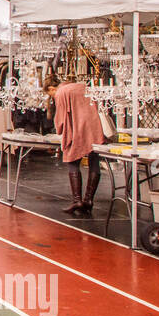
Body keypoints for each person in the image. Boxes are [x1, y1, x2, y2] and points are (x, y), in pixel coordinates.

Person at [48, 79, 107, 215]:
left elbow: (61, 118)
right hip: (94, 126)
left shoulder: (62, 92)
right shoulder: (86, 87)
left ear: (53, 88)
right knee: (94, 160)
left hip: (76, 129)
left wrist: (59, 130)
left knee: (73, 161)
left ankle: (77, 200)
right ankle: (89, 200)